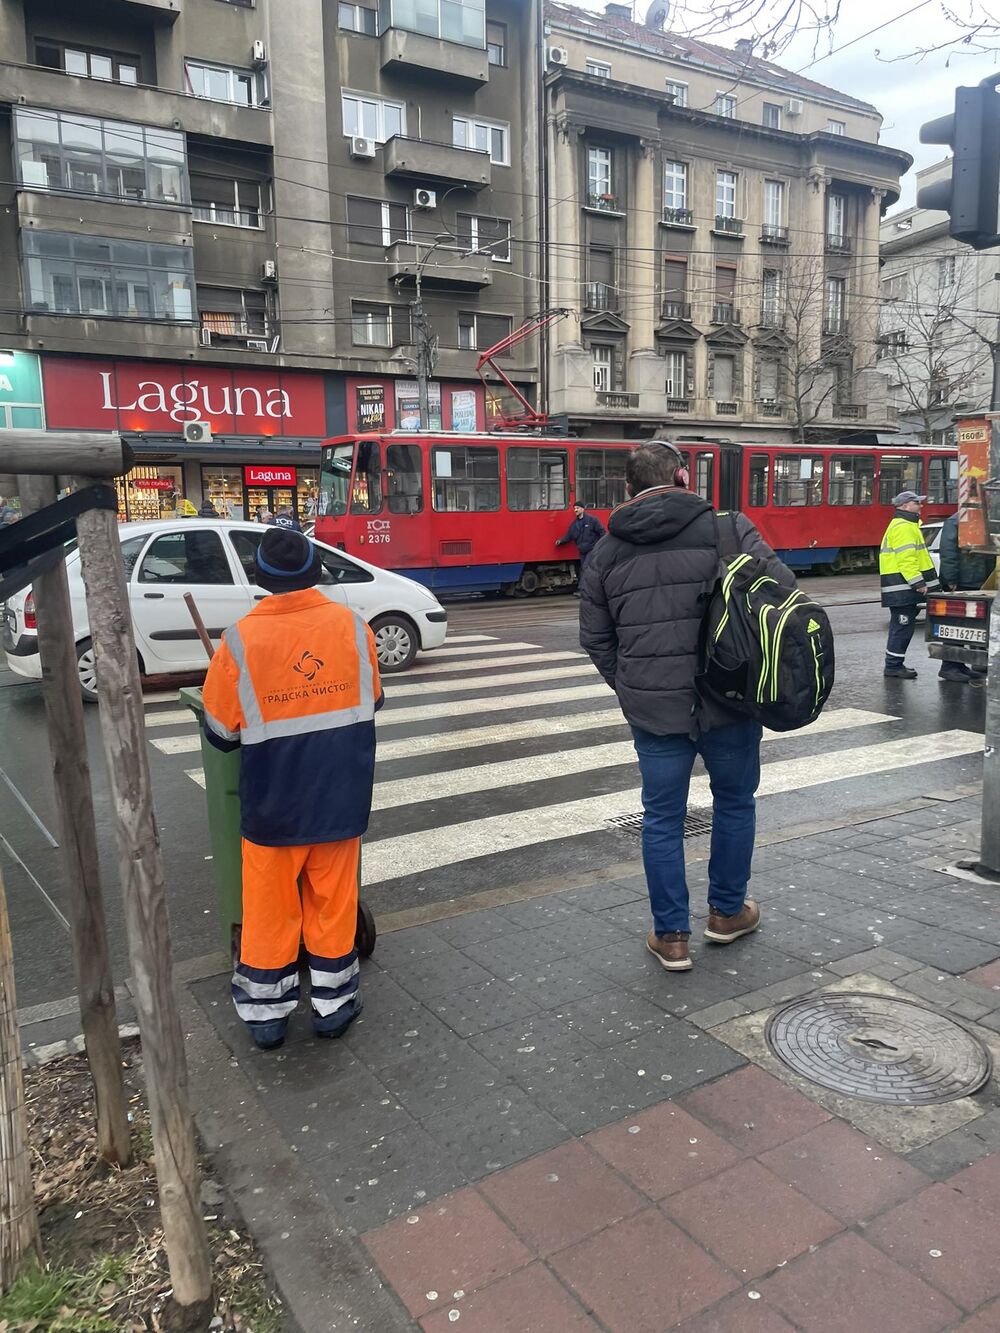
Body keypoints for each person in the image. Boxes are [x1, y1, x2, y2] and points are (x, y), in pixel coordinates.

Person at [580, 440, 794, 973]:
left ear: (628, 488)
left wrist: (629, 686)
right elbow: (782, 594)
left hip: (655, 710)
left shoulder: (606, 551)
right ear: (681, 476)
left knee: (661, 818)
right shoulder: (728, 528)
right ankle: (726, 914)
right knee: (735, 803)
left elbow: (595, 637)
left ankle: (671, 936)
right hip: (730, 701)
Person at [201, 527, 383, 1050]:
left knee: (269, 909)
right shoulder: (352, 627)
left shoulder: (240, 640)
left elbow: (220, 732)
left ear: (262, 579)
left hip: (273, 804)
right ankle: (333, 1005)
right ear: (314, 573)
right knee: (333, 903)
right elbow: (373, 701)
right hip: (340, 796)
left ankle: (266, 1016)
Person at [879, 490, 940, 680]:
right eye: (917, 503)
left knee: (903, 627)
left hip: (901, 587)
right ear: (905, 506)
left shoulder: (909, 525)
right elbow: (907, 559)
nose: (921, 506)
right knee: (902, 627)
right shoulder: (903, 527)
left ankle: (895, 665)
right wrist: (918, 583)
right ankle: (893, 666)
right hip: (902, 588)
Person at [937, 509, 995, 684]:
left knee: (969, 625)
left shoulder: (978, 519)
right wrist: (951, 580)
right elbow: (948, 553)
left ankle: (959, 665)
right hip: (964, 581)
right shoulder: (956, 521)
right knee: (956, 624)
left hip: (977, 580)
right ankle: (949, 667)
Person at [556, 500, 606, 594]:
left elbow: (602, 532)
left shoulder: (592, 520)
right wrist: (560, 541)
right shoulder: (574, 524)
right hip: (582, 550)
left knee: (585, 568)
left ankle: (582, 590)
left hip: (592, 549)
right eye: (574, 508)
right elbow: (569, 536)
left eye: (577, 508)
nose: (575, 510)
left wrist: (600, 546)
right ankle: (591, 589)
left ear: (583, 509)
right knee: (583, 569)